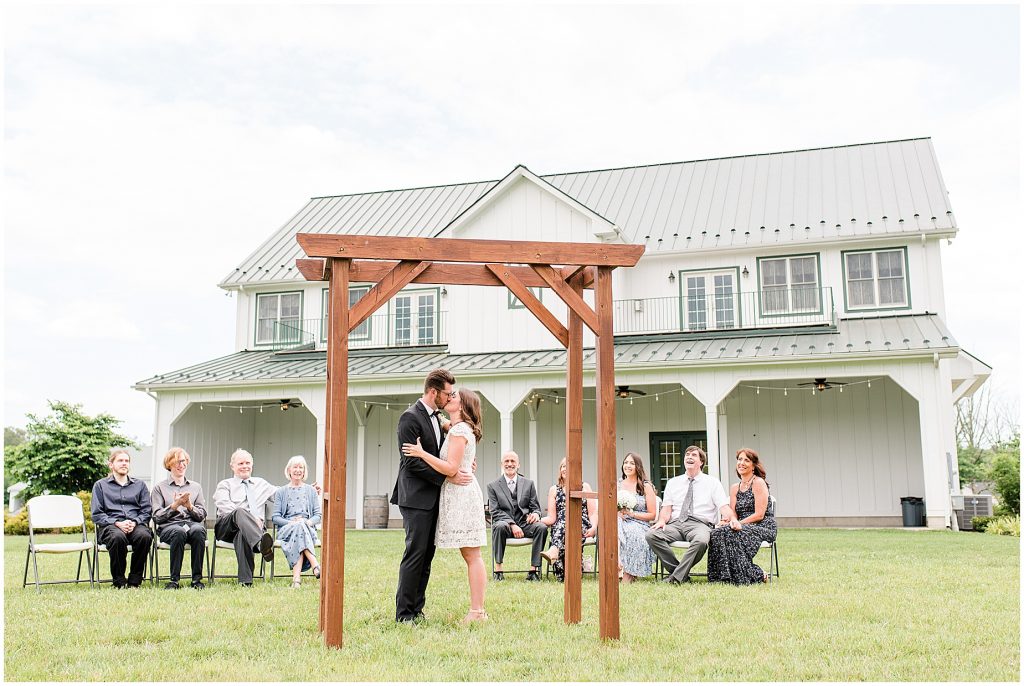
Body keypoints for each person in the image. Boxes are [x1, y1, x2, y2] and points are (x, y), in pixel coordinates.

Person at [392, 368, 473, 624]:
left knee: (427, 556)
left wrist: (462, 463)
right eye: (447, 394)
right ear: (433, 391)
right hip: (415, 499)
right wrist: (448, 476)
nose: (450, 399)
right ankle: (404, 614)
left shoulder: (436, 417)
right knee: (415, 554)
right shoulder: (409, 418)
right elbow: (411, 463)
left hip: (433, 497)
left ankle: (417, 609)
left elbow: (445, 452)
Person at [402, 388, 488, 623]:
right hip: (458, 493)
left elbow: (451, 468)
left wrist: (421, 453)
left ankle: (477, 611)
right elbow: (440, 424)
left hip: (462, 496)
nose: (449, 398)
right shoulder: (456, 427)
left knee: (472, 555)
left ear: (462, 406)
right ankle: (478, 610)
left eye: (454, 397)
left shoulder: (460, 430)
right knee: (471, 554)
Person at [645, 445, 730, 584]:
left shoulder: (712, 483)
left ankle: (676, 577)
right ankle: (680, 574)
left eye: (694, 455)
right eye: (687, 454)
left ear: (701, 462)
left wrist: (730, 518)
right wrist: (661, 521)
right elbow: (666, 508)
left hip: (700, 524)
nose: (689, 457)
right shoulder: (673, 482)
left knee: (702, 541)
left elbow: (723, 506)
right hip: (676, 523)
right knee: (651, 535)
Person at [708, 448, 777, 584]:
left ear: (753, 465)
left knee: (730, 533)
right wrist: (727, 520)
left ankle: (755, 574)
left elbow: (759, 514)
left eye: (746, 460)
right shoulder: (735, 487)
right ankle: (721, 577)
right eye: (739, 459)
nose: (742, 463)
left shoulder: (758, 482)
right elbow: (733, 513)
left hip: (762, 526)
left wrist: (738, 523)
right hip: (740, 525)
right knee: (716, 533)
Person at [212, 449, 277, 586]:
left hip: (251, 531)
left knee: (243, 533)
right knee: (239, 512)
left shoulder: (261, 484)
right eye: (240, 463)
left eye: (247, 463)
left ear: (252, 465)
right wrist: (250, 520)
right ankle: (260, 544)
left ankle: (245, 581)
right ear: (232, 466)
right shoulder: (225, 484)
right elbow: (223, 505)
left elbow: (282, 495)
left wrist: (307, 490)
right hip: (227, 527)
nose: (244, 466)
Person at [91, 448, 153, 588]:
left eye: (127, 461)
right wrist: (117, 523)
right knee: (117, 538)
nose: (124, 463)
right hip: (110, 526)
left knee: (144, 536)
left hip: (135, 524)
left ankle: (134, 581)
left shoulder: (140, 485)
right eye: (120, 460)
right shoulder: (100, 486)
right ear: (111, 464)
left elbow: (146, 510)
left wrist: (135, 522)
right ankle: (119, 581)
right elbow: (97, 514)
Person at [151, 447, 208, 590]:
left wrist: (189, 506)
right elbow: (157, 517)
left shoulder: (196, 487)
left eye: (183, 461)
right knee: (179, 532)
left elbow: (202, 514)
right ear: (169, 464)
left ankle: (196, 580)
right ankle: (174, 580)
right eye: (176, 462)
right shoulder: (159, 488)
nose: (181, 465)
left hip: (191, 524)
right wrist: (175, 505)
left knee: (198, 531)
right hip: (169, 527)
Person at [487, 451, 547, 581]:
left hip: (525, 524)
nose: (510, 464)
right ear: (502, 464)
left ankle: (533, 571)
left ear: (518, 464)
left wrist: (536, 515)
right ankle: (498, 570)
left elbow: (535, 507)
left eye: (513, 461)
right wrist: (512, 524)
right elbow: (495, 511)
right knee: (499, 526)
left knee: (541, 527)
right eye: (507, 461)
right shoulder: (492, 486)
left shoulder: (528, 484)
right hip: (505, 526)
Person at [539, 457, 597, 582]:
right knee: (563, 577)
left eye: (568, 466)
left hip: (582, 525)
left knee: (567, 515)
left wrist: (594, 527)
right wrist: (538, 520)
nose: (565, 469)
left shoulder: (584, 486)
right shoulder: (554, 489)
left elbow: (592, 513)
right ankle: (574, 565)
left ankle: (554, 550)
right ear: (560, 470)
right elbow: (551, 518)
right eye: (563, 466)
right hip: (560, 527)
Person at [273, 455, 322, 588]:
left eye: (301, 467)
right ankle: (315, 564)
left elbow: (318, 516)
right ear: (289, 470)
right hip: (287, 529)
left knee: (300, 528)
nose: (298, 470)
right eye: (295, 467)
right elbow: (275, 517)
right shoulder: (281, 492)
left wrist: (307, 523)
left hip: (307, 528)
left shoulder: (311, 491)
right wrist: (291, 523)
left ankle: (296, 579)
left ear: (304, 471)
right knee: (298, 528)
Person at [616, 452, 657, 583]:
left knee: (633, 534)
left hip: (639, 522)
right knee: (612, 530)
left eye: (632, 463)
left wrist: (632, 514)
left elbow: (652, 515)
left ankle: (629, 573)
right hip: (619, 520)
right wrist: (617, 513)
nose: (627, 466)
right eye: (625, 462)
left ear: (638, 466)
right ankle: (616, 568)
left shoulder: (645, 486)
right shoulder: (618, 484)